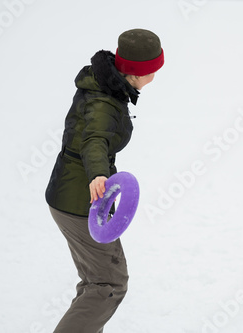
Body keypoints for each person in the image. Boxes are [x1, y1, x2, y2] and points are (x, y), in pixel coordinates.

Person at [45, 28, 164, 332]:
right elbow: (94, 140)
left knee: (95, 283)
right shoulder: (104, 101)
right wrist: (99, 174)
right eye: (154, 69)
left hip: (69, 193)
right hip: (79, 199)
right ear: (140, 72)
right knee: (108, 284)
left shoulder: (106, 85)